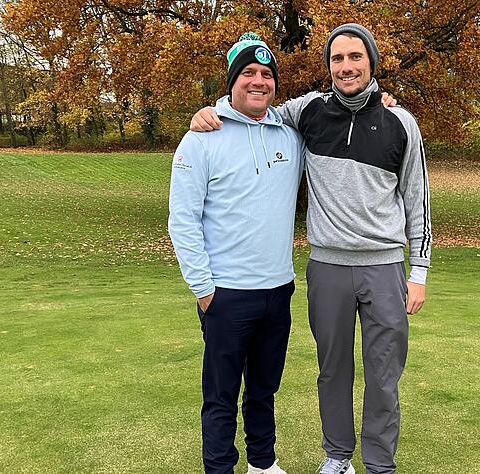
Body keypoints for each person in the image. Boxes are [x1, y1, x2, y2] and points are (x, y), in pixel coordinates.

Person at [190, 24, 432, 474]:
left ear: (371, 63)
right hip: (327, 267)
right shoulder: (307, 112)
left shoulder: (402, 122)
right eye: (337, 59)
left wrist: (418, 271)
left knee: (383, 375)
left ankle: (379, 463)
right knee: (332, 370)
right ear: (328, 68)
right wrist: (208, 112)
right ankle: (337, 456)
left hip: (384, 268)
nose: (346, 67)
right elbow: (254, 110)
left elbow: (419, 202)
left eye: (355, 57)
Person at [168, 32, 304, 474]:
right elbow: (182, 220)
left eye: (266, 75)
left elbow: (336, 106)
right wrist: (204, 290)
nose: (258, 82)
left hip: (277, 289)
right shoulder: (201, 138)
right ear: (232, 81)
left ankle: (263, 464)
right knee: (222, 395)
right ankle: (220, 468)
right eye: (248, 73)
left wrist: (382, 100)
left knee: (264, 390)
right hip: (225, 293)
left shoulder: (290, 135)